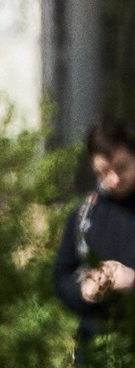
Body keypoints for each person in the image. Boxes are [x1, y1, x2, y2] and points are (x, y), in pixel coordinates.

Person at [56, 118, 135, 338]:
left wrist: (132, 280)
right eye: (104, 172)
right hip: (97, 339)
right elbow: (62, 276)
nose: (114, 179)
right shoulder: (84, 213)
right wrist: (84, 290)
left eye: (122, 167)